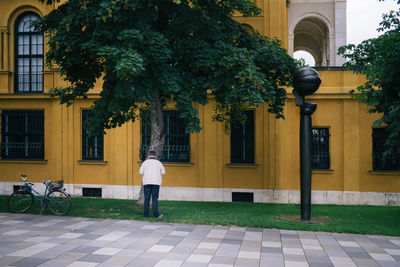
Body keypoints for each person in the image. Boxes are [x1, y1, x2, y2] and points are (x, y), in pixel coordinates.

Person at [139, 150, 165, 218]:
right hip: (156, 182)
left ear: (149, 155)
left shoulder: (145, 162)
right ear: (155, 155)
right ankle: (156, 215)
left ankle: (145, 215)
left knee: (146, 199)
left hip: (147, 182)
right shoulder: (159, 163)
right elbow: (163, 172)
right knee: (155, 199)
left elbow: (141, 172)